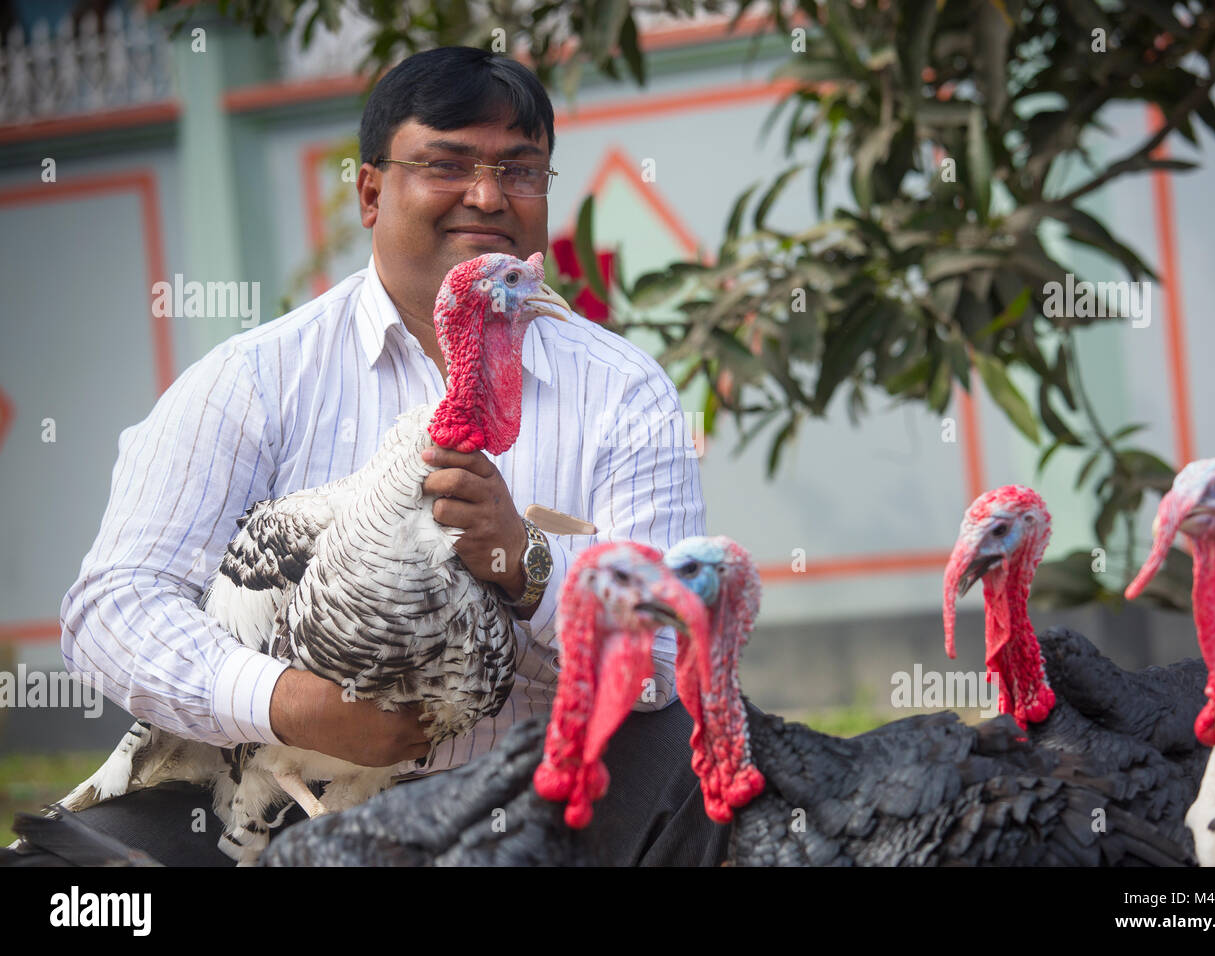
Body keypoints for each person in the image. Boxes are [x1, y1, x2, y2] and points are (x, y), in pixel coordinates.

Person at [47, 47, 726, 865]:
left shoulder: (624, 390)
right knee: (76, 889)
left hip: (529, 810)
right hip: (275, 792)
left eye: (520, 168)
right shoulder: (254, 380)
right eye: (446, 164)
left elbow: (665, 658)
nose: (486, 194)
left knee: (681, 756)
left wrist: (526, 564)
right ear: (371, 191)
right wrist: (288, 702)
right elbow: (112, 609)